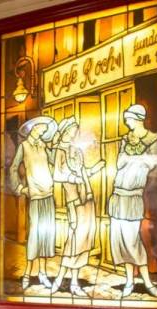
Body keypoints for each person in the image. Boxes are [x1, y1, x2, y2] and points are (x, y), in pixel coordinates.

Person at [108, 104, 157, 298]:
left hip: (133, 196)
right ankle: (130, 281)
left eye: (128, 119)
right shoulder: (126, 138)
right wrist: (135, 157)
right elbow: (119, 162)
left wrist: (134, 157)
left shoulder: (154, 139)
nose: (126, 122)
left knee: (133, 241)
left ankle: (147, 282)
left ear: (137, 118)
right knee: (120, 241)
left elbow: (150, 163)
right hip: (118, 195)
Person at [49, 117, 104, 296]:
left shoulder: (77, 151)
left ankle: (73, 282)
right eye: (73, 129)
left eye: (76, 129)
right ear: (66, 131)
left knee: (83, 241)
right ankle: (60, 278)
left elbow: (83, 173)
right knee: (74, 241)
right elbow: (57, 174)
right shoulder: (60, 151)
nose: (75, 132)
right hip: (74, 199)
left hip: (86, 198)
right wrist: (74, 178)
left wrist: (95, 169)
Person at [8, 116, 58, 290]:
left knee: (47, 234)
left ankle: (43, 273)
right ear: (33, 129)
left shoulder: (43, 146)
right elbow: (13, 167)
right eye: (41, 130)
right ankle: (28, 273)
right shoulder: (24, 146)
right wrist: (20, 189)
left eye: (44, 131)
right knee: (36, 235)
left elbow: (55, 162)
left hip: (48, 194)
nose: (43, 133)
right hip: (36, 195)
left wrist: (57, 147)